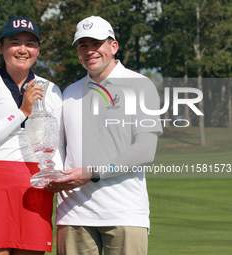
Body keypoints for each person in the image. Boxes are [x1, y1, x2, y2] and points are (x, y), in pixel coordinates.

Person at [46, 16, 163, 255]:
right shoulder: (69, 93)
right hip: (73, 213)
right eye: (83, 44)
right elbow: (57, 147)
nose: (89, 51)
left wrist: (91, 174)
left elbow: (145, 150)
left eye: (96, 43)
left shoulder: (141, 86)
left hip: (123, 212)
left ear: (113, 46)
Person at [0, 17, 64, 255]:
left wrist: (58, 179)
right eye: (14, 42)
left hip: (36, 183)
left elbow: (57, 146)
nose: (23, 49)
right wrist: (22, 112)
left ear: (37, 49)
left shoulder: (51, 89)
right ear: (1, 47)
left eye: (30, 43)